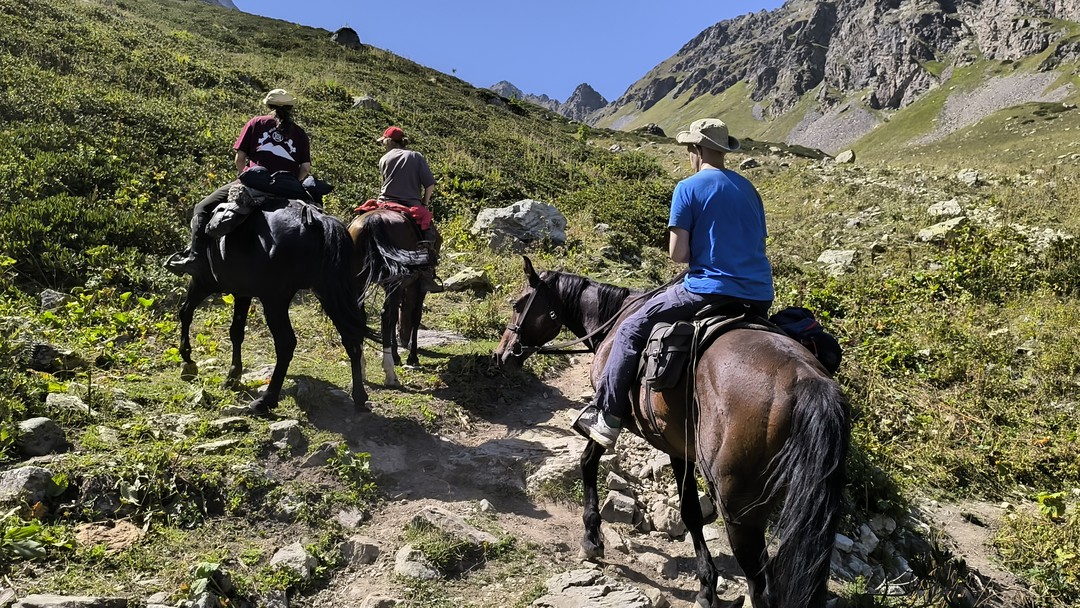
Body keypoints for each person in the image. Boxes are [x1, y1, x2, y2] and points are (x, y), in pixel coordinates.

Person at [571, 118, 775, 448]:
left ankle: (606, 417)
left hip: (709, 291)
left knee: (631, 327)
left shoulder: (688, 187)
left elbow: (678, 254)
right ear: (723, 150)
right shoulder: (749, 190)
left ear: (695, 149)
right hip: (759, 296)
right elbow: (757, 244)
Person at [165, 88, 312, 276]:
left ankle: (195, 258)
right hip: (288, 189)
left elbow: (239, 159)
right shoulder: (300, 134)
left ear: (269, 106)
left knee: (202, 207)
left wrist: (245, 176)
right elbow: (305, 168)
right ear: (290, 108)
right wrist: (291, 183)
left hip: (256, 184)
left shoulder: (256, 123)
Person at [375, 126, 443, 293]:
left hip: (384, 203)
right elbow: (430, 185)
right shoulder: (415, 156)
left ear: (390, 141)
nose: (383, 143)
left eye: (383, 140)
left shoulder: (384, 158)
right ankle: (427, 275)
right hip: (409, 206)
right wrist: (424, 204)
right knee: (433, 238)